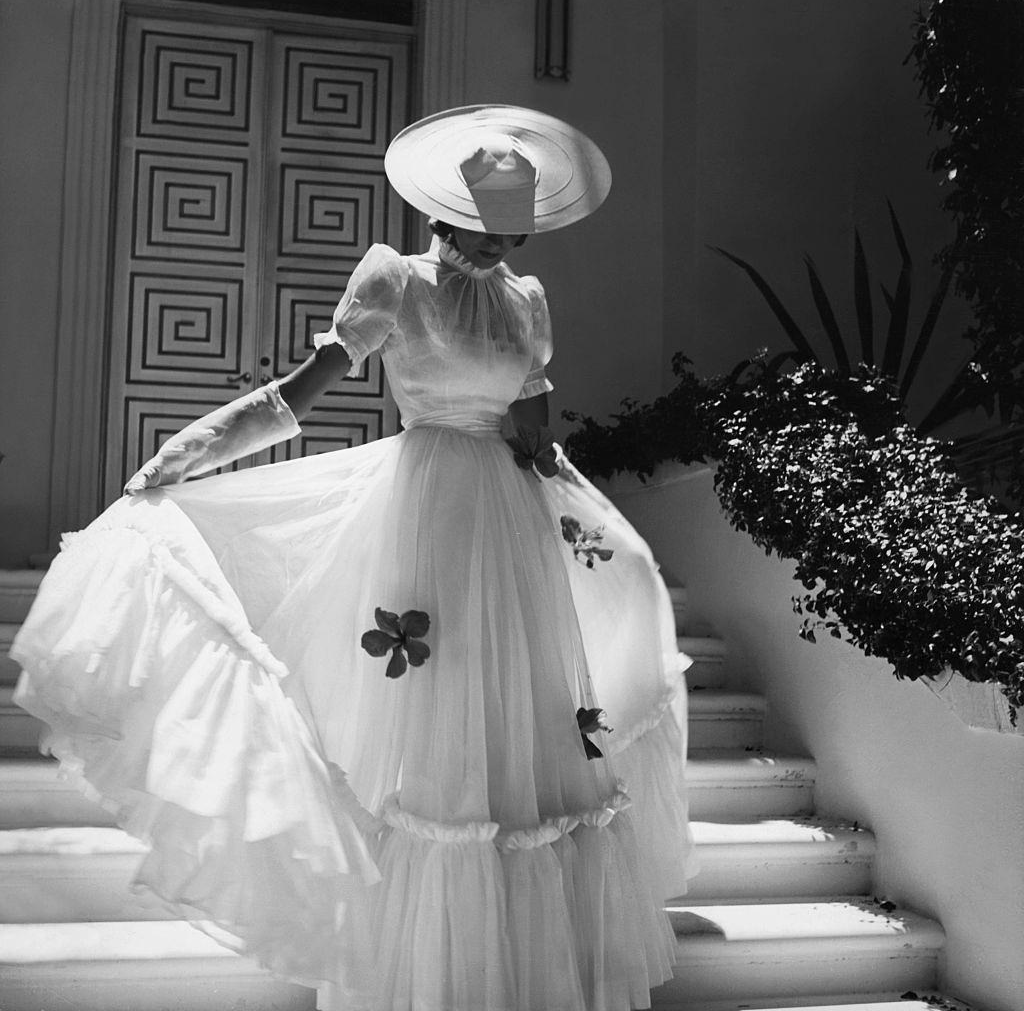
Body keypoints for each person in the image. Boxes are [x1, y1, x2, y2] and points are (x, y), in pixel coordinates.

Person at [12, 105, 696, 1011]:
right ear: (445, 212)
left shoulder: (527, 303)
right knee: (428, 716)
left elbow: (532, 434)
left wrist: (596, 524)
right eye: (487, 226)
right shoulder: (394, 281)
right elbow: (303, 391)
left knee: (514, 731)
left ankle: (512, 971)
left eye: (514, 229)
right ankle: (421, 972)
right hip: (422, 511)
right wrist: (196, 447)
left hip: (509, 522)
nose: (500, 245)